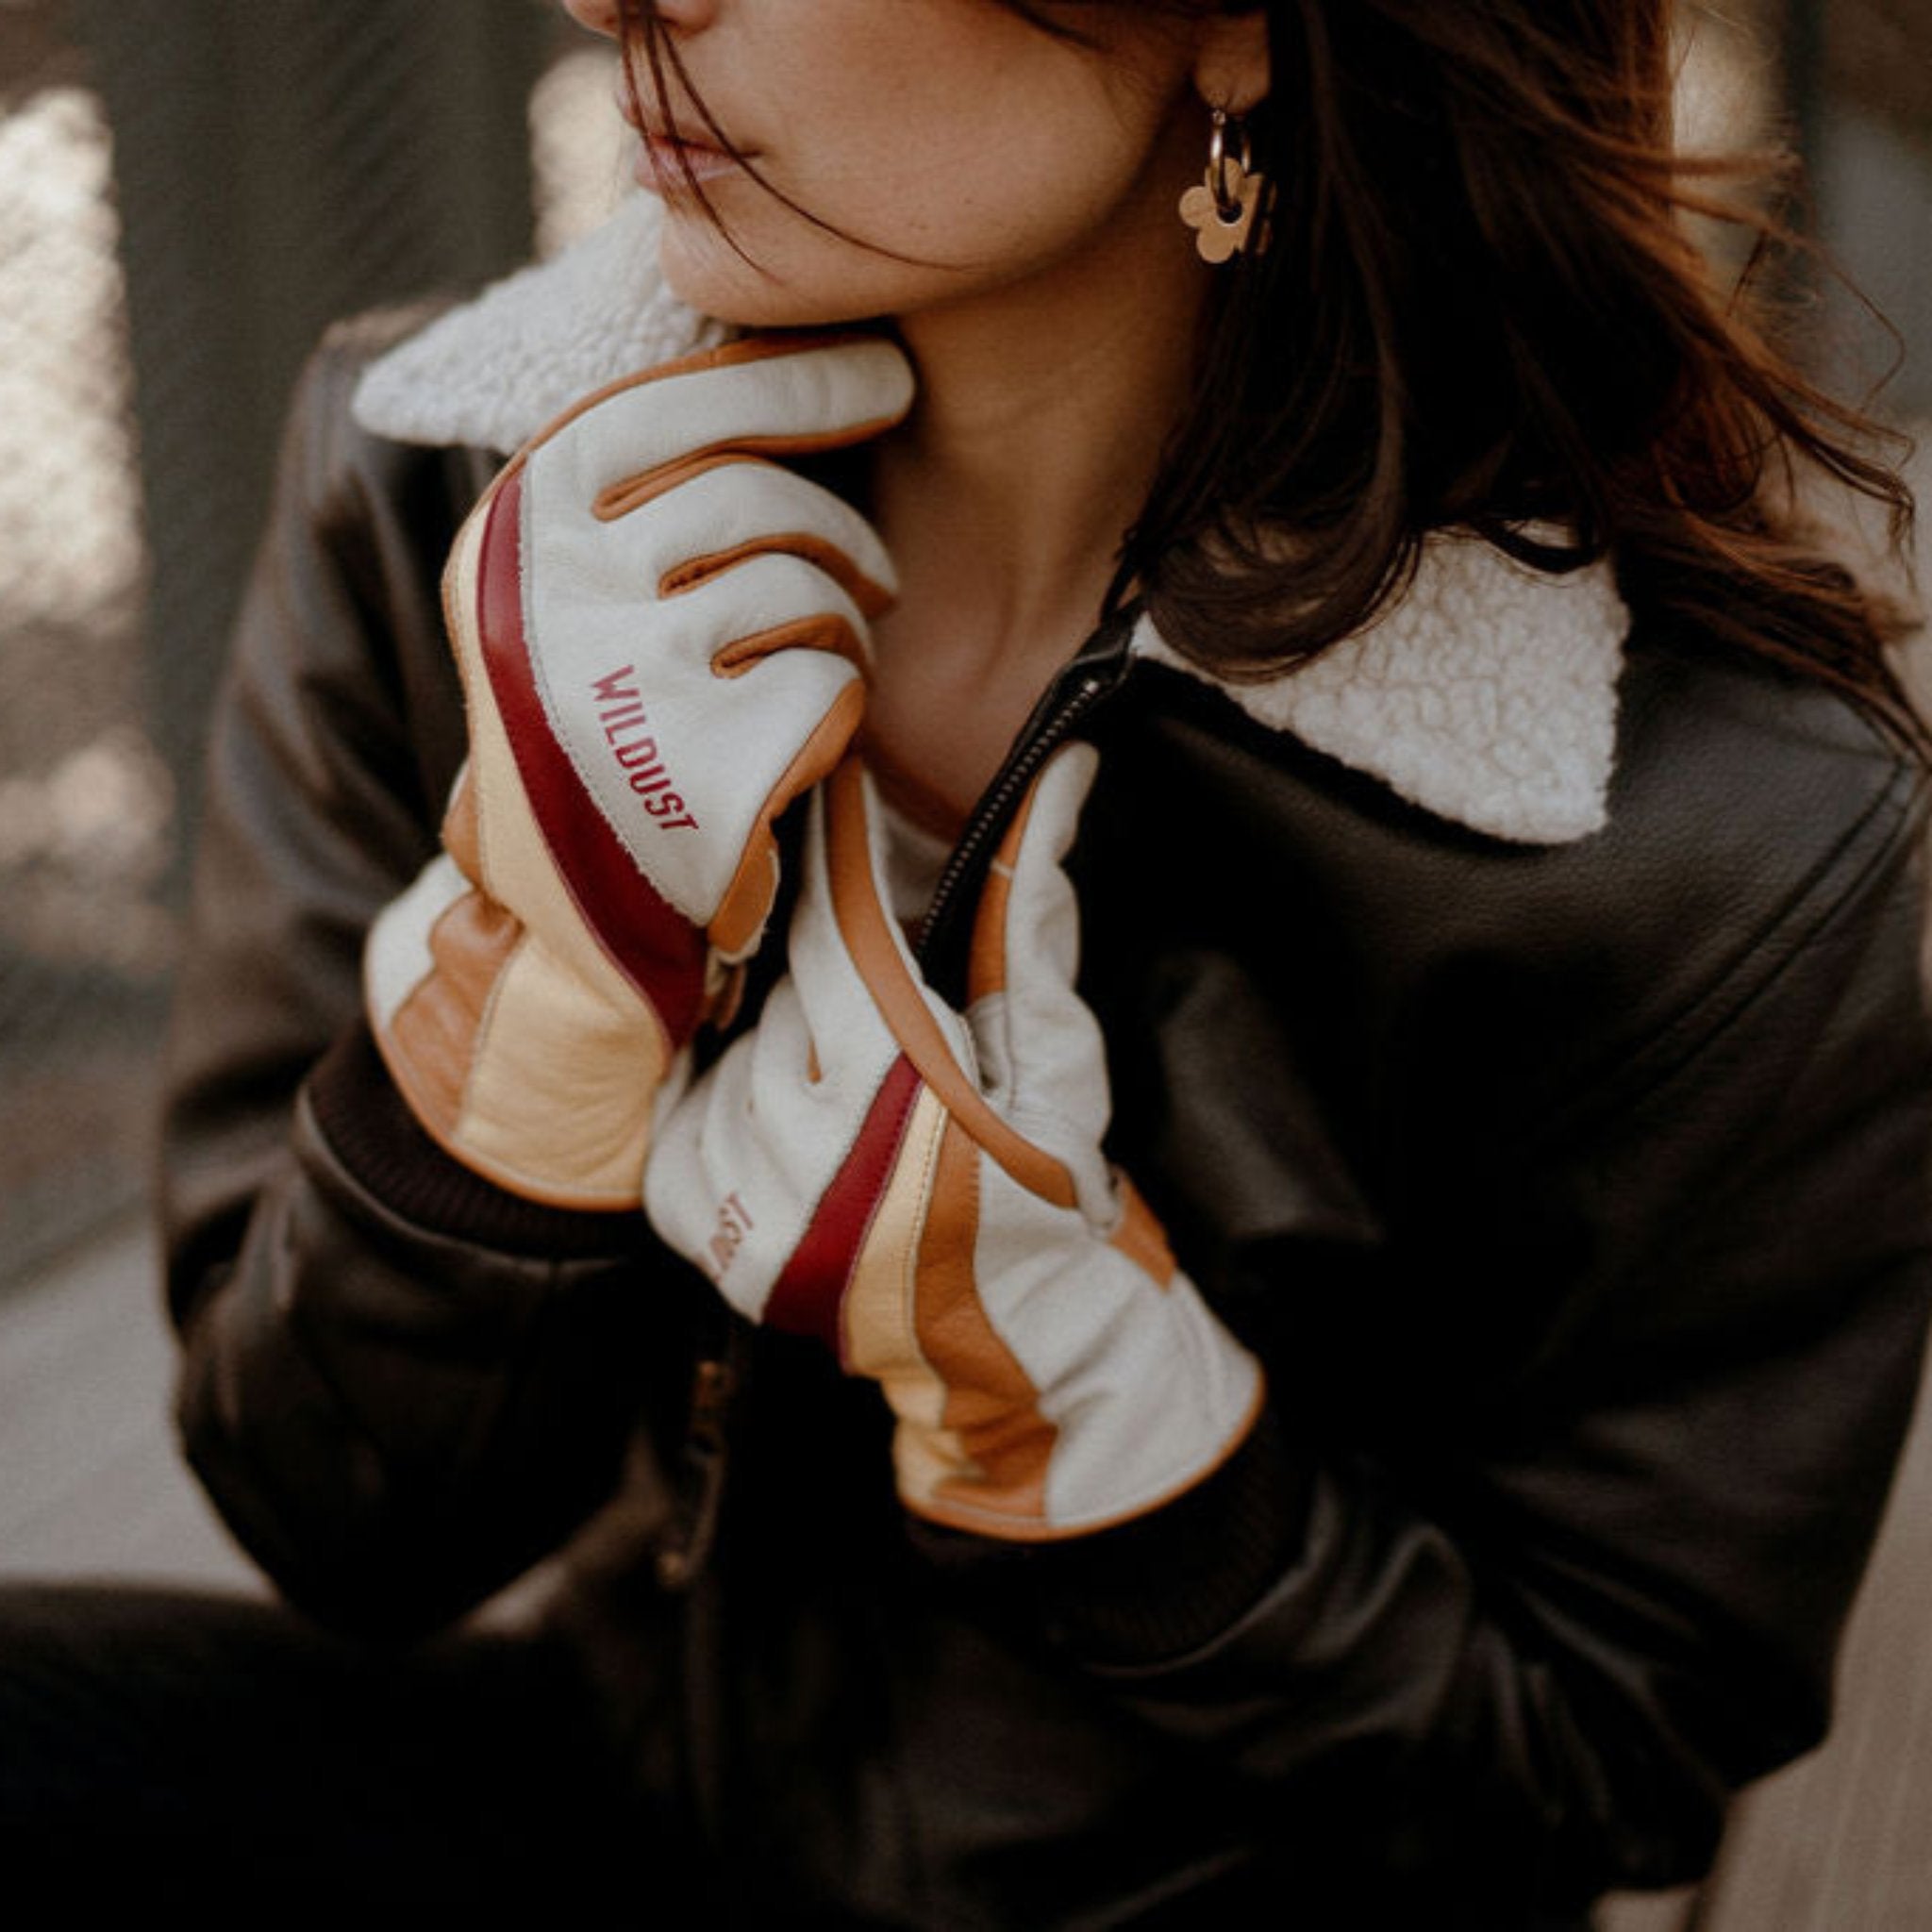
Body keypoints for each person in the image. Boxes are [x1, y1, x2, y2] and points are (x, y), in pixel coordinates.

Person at [8, 0, 1931, 1924]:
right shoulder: (459, 493)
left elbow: (1592, 1774)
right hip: (618, 1786)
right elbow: (341, 1527)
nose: (608, 3)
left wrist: (1084, 1402)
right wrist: (543, 981)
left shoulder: (1709, 836)